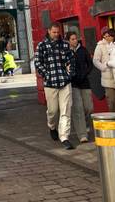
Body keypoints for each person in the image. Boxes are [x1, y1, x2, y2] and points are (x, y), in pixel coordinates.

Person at [34, 22, 76, 150]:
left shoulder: (64, 44)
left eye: (58, 32)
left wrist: (70, 74)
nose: (56, 34)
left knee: (65, 111)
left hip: (64, 82)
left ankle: (64, 137)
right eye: (54, 32)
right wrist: (46, 74)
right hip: (50, 83)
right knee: (52, 111)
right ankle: (52, 126)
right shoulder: (41, 45)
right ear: (49, 31)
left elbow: (71, 60)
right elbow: (38, 62)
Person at [67, 31, 93, 143]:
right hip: (73, 83)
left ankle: (85, 123)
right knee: (78, 109)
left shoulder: (83, 50)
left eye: (75, 38)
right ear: (68, 41)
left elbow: (90, 64)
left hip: (84, 82)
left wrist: (85, 73)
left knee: (88, 107)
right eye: (72, 39)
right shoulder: (66, 52)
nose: (75, 40)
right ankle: (82, 135)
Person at [93, 27, 115, 112]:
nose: (107, 36)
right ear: (103, 35)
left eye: (109, 34)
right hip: (107, 79)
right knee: (112, 102)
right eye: (105, 34)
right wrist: (103, 67)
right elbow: (95, 60)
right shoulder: (100, 46)